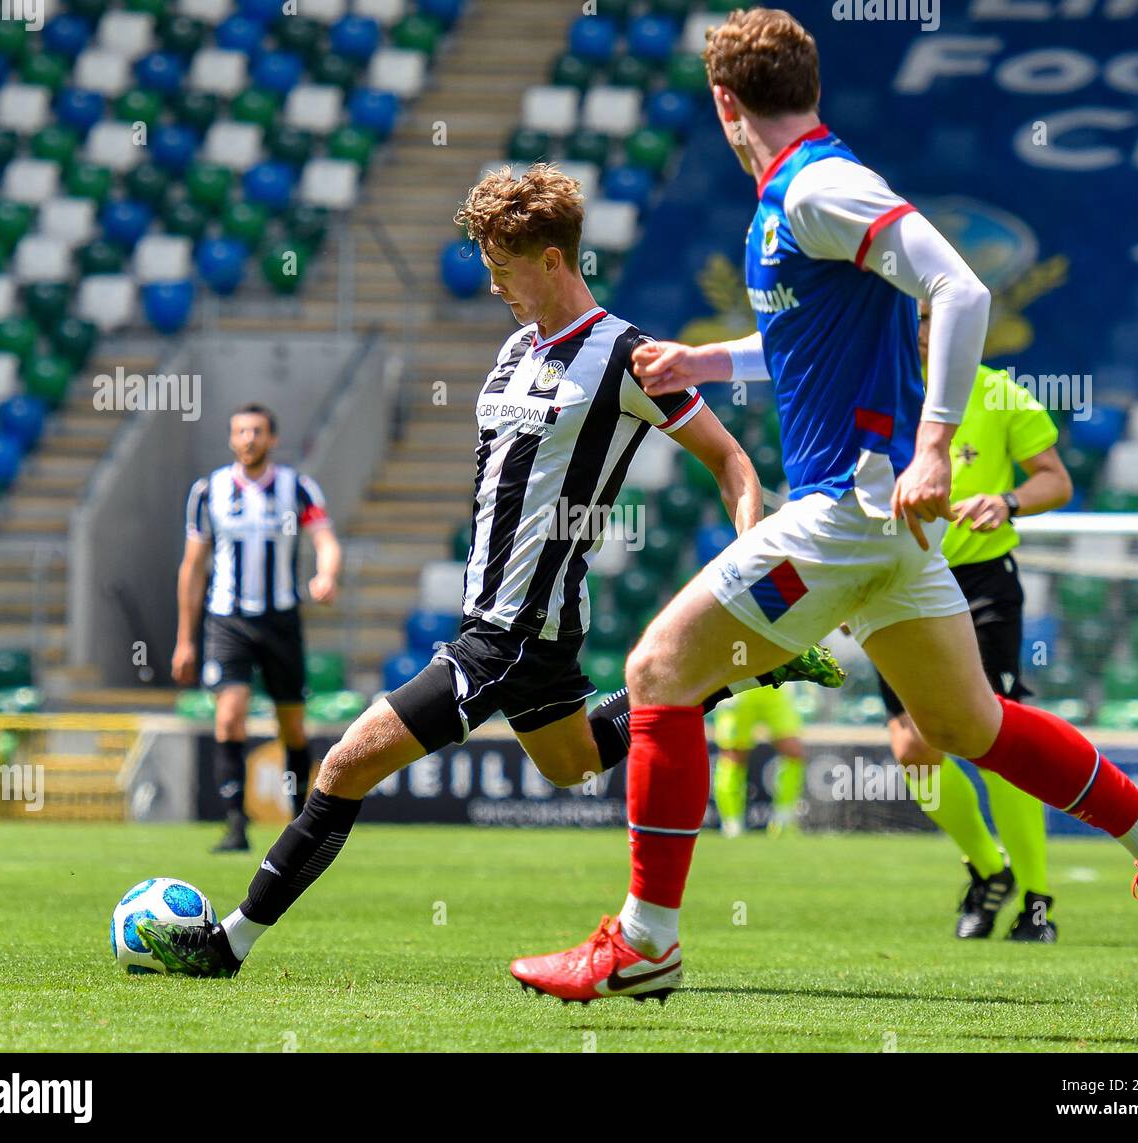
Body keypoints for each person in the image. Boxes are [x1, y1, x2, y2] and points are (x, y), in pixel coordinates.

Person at [509, 8, 1138, 1003]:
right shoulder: (812, 190)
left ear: (724, 104)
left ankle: (644, 942)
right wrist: (706, 362)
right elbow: (816, 341)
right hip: (884, 522)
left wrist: (934, 445)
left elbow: (960, 291)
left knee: (659, 670)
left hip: (847, 506)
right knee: (969, 723)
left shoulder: (815, 187)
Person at [138, 164, 842, 976]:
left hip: (511, 630)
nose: (496, 286)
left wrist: (750, 556)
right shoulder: (513, 349)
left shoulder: (628, 355)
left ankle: (227, 944)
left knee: (343, 764)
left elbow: (731, 461)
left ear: (551, 261)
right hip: (501, 620)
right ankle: (749, 666)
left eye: (504, 270)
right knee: (574, 762)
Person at [880, 301, 1073, 941]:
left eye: (934, 318)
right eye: (916, 319)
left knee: (997, 740)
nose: (923, 331)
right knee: (913, 745)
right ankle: (989, 869)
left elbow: (1056, 481)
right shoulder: (882, 393)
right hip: (898, 582)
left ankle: (1038, 898)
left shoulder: (1001, 393)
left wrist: (1009, 499)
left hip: (983, 583)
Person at [174, 404, 342, 852]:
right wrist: (184, 639)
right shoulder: (209, 491)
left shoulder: (297, 487)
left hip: (280, 621)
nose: (248, 439)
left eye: (257, 432)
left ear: (273, 439)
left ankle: (300, 823)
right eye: (240, 431)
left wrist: (326, 575)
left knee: (292, 727)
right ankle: (235, 824)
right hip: (227, 619)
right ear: (231, 439)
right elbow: (193, 567)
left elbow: (325, 541)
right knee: (229, 716)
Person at [712, 684, 806, 838]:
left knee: (793, 752)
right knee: (734, 756)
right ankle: (732, 822)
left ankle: (784, 819)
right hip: (740, 685)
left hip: (774, 687)